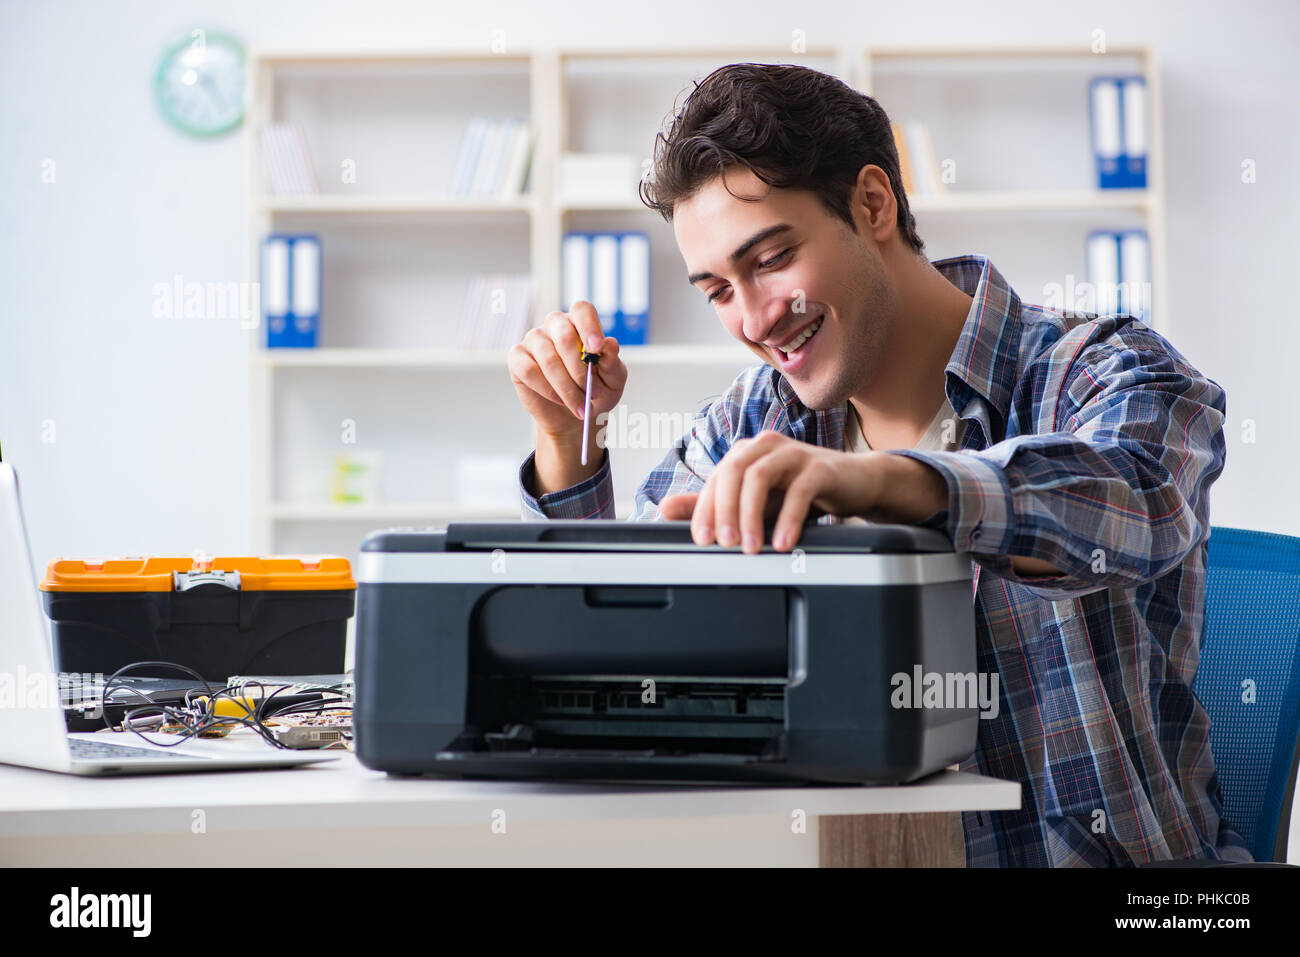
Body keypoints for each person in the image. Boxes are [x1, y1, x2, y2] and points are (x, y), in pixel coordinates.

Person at [506, 62, 1252, 867]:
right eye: (719, 289)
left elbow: (1137, 503)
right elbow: (608, 650)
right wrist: (565, 445)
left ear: (873, 203)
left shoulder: (1102, 369)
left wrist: (888, 482)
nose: (755, 320)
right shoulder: (756, 418)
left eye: (771, 258)